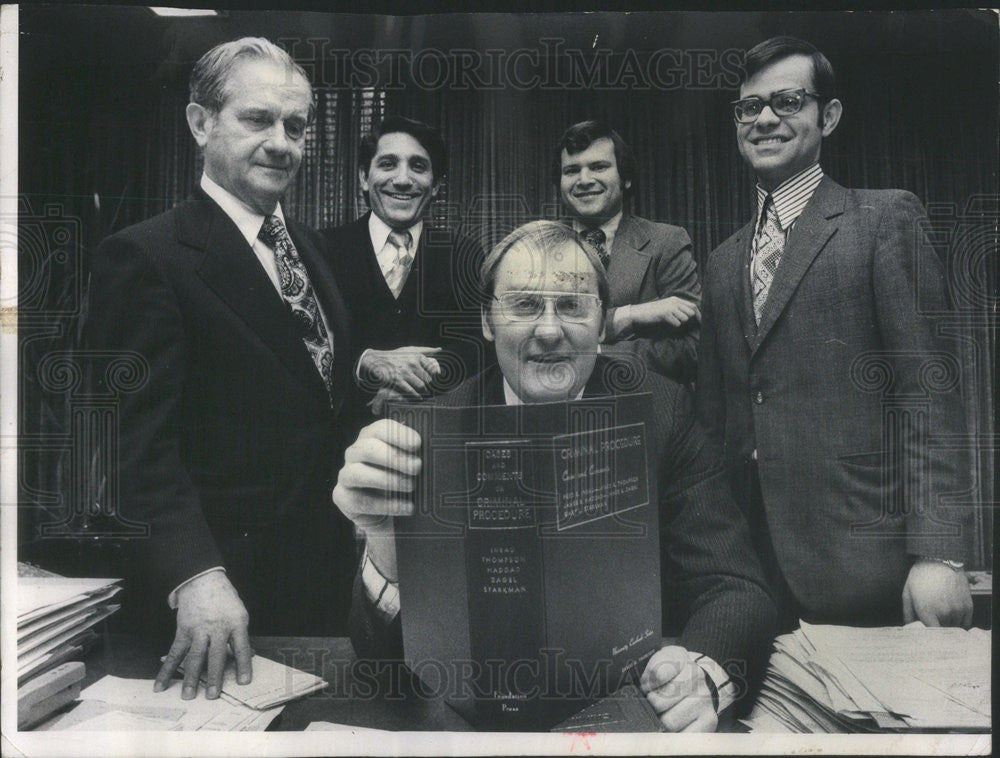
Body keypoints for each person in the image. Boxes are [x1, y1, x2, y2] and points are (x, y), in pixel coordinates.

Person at [333, 221, 777, 732]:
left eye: (571, 305)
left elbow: (734, 586)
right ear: (486, 320)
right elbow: (379, 664)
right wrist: (386, 542)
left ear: (603, 321)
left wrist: (703, 677)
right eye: (524, 305)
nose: (549, 330)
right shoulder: (428, 434)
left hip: (624, 712)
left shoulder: (662, 410)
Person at [84, 38, 356, 700]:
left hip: (319, 591)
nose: (282, 143)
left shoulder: (311, 250)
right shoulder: (144, 257)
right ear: (201, 123)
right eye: (257, 119)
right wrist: (194, 573)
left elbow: (312, 397)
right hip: (212, 605)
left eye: (295, 126)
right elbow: (130, 444)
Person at [696, 36, 973, 631]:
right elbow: (719, 422)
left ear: (829, 116)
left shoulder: (884, 220)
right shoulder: (721, 262)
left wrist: (940, 553)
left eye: (788, 101)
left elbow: (929, 397)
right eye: (749, 107)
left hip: (867, 566)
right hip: (751, 577)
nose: (765, 118)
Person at [323, 116, 485, 421]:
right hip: (338, 443)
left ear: (436, 185)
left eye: (418, 167)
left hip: (435, 433)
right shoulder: (323, 250)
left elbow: (478, 346)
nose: (402, 179)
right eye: (387, 164)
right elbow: (307, 347)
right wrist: (365, 365)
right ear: (363, 177)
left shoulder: (464, 254)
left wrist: (411, 381)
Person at [554, 120, 701, 384]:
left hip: (645, 410)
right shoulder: (540, 245)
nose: (584, 180)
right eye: (572, 170)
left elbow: (694, 349)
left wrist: (594, 354)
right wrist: (630, 315)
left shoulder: (666, 242)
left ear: (627, 178)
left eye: (598, 167)